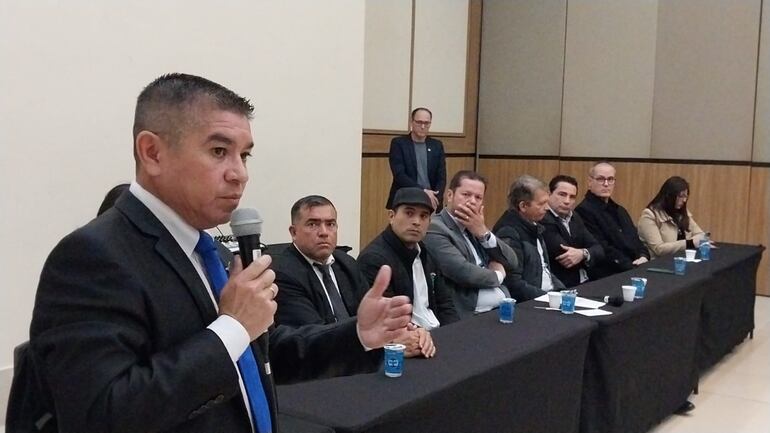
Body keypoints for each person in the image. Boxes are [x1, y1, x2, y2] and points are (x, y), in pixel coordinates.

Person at [27, 73, 412, 433]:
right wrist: (232, 327)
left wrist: (357, 334)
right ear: (152, 153)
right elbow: (101, 415)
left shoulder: (210, 250)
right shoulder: (92, 256)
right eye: (218, 151)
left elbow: (260, 355)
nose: (240, 173)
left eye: (244, 155)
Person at [273, 195, 436, 359]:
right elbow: (314, 340)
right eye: (313, 224)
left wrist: (409, 331)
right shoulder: (283, 274)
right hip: (323, 365)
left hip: (357, 359)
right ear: (293, 232)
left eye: (330, 224)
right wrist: (388, 343)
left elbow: (373, 316)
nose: (324, 232)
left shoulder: (345, 262)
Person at [358, 187, 460, 336]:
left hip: (437, 334)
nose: (416, 222)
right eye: (409, 213)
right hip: (407, 339)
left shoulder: (426, 253)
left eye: (423, 216)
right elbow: (388, 320)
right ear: (391, 216)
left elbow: (445, 304)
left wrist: (455, 334)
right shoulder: (374, 260)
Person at [423, 170, 518, 319]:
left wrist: (483, 233)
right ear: (450, 195)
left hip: (499, 309)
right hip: (468, 314)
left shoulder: (475, 226)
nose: (472, 201)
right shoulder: (435, 227)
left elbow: (512, 261)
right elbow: (463, 272)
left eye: (478, 197)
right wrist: (498, 275)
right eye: (466, 195)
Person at [492, 175, 566, 302]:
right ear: (523, 206)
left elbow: (545, 269)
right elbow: (513, 283)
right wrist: (548, 298)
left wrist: (562, 292)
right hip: (531, 302)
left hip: (547, 296)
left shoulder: (534, 225)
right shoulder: (509, 232)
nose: (547, 208)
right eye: (541, 204)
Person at [575, 162, 649, 280]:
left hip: (634, 268)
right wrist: (632, 267)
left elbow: (635, 240)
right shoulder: (583, 211)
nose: (606, 184)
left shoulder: (620, 210)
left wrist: (643, 255)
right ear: (590, 182)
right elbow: (602, 248)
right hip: (608, 275)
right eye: (601, 179)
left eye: (610, 179)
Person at [541, 175, 604, 288]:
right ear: (549, 194)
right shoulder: (543, 218)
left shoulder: (575, 216)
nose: (567, 201)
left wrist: (582, 253)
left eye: (572, 197)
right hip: (563, 285)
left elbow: (599, 249)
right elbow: (565, 257)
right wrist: (587, 253)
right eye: (562, 194)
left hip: (586, 280)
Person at [386, 107, 446, 211]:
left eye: (426, 123)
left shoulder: (437, 145)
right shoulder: (399, 143)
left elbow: (441, 177)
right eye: (419, 122)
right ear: (411, 122)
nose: (423, 126)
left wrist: (436, 197)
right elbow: (399, 175)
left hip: (431, 199)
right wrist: (422, 191)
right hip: (406, 198)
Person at [637, 176, 708, 259]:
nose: (684, 200)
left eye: (686, 196)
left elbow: (701, 235)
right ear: (669, 196)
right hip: (659, 262)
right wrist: (689, 243)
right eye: (681, 196)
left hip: (682, 259)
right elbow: (659, 249)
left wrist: (696, 241)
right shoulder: (649, 215)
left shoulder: (682, 212)